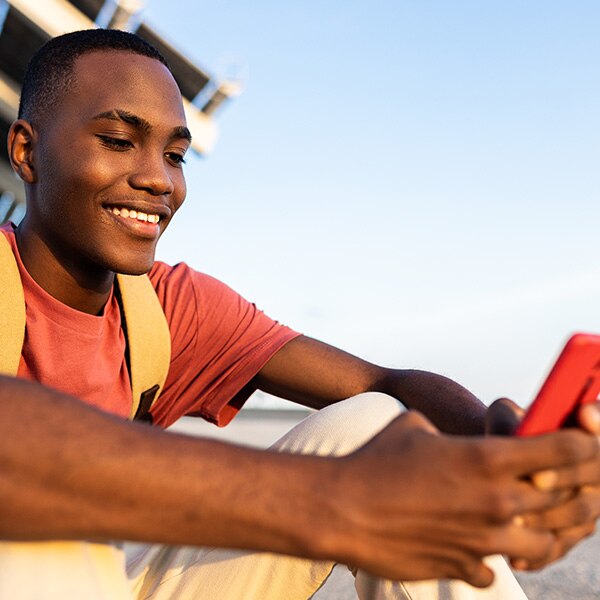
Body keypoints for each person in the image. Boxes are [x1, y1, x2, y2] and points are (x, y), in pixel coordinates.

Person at [1, 28, 599, 600]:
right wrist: (331, 502)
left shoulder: (164, 306)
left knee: (368, 424)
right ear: (25, 151)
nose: (158, 179)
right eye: (117, 141)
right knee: (42, 549)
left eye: (176, 154)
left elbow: (380, 384)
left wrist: (501, 451)